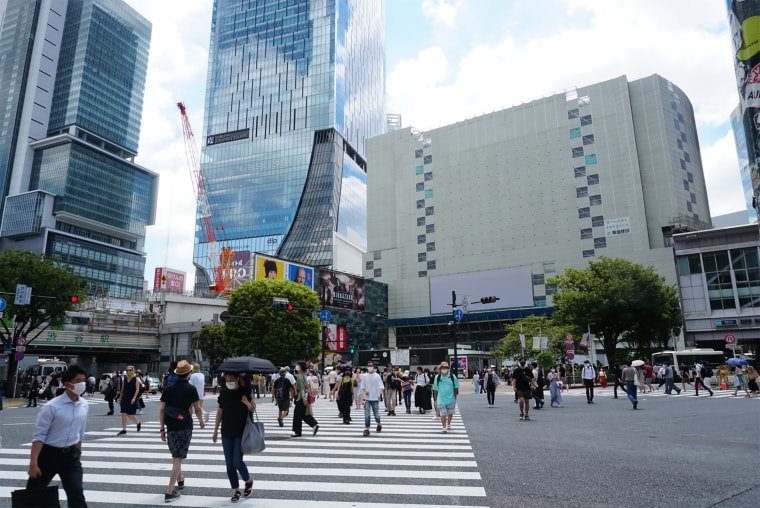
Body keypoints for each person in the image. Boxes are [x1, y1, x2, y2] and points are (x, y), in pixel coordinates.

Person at [25, 365, 89, 507]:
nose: (82, 384)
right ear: (67, 384)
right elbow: (39, 436)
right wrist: (33, 463)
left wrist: (78, 452)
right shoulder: (52, 407)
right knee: (33, 494)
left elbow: (80, 432)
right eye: (78, 381)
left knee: (76, 494)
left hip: (71, 456)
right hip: (49, 455)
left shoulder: (84, 404)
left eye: (83, 380)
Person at [159, 360, 205, 503]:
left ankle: (180, 478)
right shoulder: (191, 389)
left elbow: (162, 410)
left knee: (175, 456)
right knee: (178, 458)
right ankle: (169, 491)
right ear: (189, 373)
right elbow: (197, 408)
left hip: (170, 425)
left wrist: (161, 428)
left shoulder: (168, 389)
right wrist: (201, 421)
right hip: (185, 425)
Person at [212, 372, 255, 502]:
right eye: (227, 379)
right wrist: (215, 431)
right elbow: (220, 412)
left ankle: (248, 480)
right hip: (226, 431)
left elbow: (253, 409)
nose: (229, 381)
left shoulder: (246, 391)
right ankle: (236, 490)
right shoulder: (224, 393)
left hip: (241, 432)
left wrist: (246, 402)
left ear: (237, 379)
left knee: (237, 461)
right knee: (229, 465)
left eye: (231, 379)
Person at [291, 361, 319, 437]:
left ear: (300, 367)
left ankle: (297, 432)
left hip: (301, 397)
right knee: (303, 414)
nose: (296, 366)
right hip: (305, 395)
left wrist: (303, 397)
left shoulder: (300, 376)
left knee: (297, 415)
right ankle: (314, 424)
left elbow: (302, 388)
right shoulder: (304, 375)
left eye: (297, 365)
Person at [432, 361, 460, 433]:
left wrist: (455, 396)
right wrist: (435, 397)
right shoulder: (437, 377)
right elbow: (435, 388)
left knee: (450, 413)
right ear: (440, 368)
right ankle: (444, 426)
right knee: (443, 413)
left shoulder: (452, 377)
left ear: (448, 368)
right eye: (443, 367)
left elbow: (456, 387)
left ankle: (448, 424)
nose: (444, 369)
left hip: (451, 398)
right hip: (441, 398)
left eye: (446, 367)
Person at [360, 361, 384, 436]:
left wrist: (379, 394)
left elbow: (381, 386)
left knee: (376, 413)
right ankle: (367, 428)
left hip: (375, 397)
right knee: (366, 413)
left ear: (373, 366)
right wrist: (365, 391)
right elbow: (362, 386)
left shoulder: (377, 376)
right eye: (368, 365)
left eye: (371, 365)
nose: (369, 367)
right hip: (367, 398)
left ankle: (379, 423)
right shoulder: (364, 376)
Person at [116, 365, 141, 435]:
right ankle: (124, 429)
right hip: (125, 398)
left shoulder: (135, 379)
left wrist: (134, 398)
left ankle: (138, 423)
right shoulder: (125, 379)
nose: (128, 372)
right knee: (123, 413)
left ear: (133, 371)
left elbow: (137, 389)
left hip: (132, 398)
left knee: (130, 414)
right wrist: (120, 398)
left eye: (129, 370)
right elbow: (122, 390)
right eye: (127, 370)